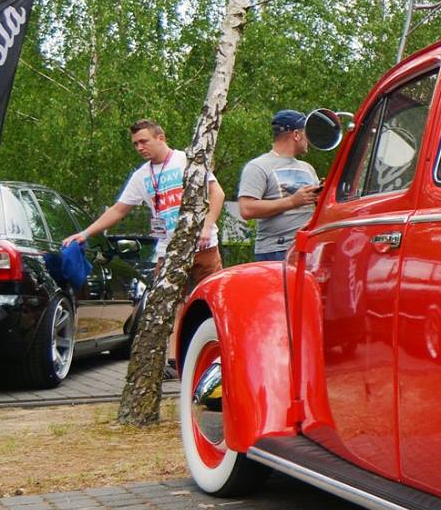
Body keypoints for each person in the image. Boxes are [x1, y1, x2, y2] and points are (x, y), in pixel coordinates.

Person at [66, 120, 225, 367]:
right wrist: (85, 233)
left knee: (213, 300)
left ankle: (219, 355)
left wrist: (206, 226)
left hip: (203, 247)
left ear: (161, 137)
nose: (140, 147)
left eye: (144, 141)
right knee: (167, 305)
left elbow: (218, 193)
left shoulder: (186, 160)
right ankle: (173, 361)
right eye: (135, 144)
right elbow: (119, 209)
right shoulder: (141, 176)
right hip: (168, 250)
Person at [237, 110, 323, 261]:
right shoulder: (258, 166)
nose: (309, 139)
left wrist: (322, 195)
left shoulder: (307, 168)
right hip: (276, 251)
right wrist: (292, 201)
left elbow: (316, 207)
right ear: (296, 135)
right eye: (306, 133)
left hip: (307, 246)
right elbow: (246, 209)